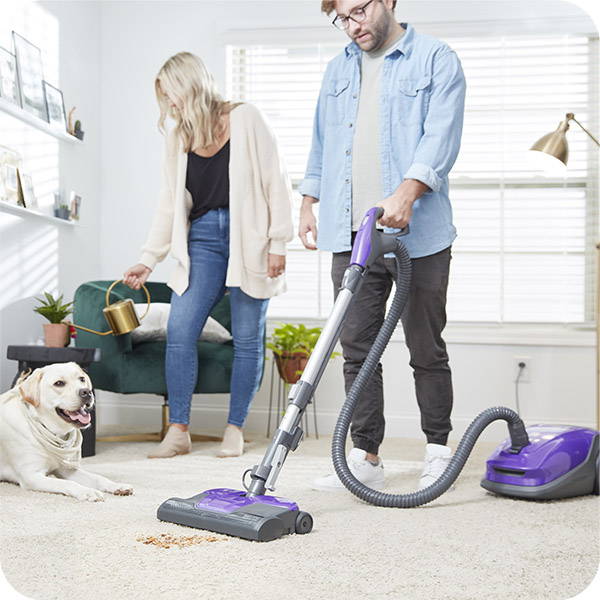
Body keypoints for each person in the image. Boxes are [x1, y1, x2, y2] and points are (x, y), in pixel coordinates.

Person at [299, 0, 466, 490]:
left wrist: (407, 192)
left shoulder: (435, 58)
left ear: (388, 1)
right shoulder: (337, 70)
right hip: (352, 232)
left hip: (421, 233)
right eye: (341, 19)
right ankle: (365, 455)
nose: (352, 27)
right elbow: (322, 140)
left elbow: (441, 138)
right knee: (357, 349)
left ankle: (437, 450)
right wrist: (309, 201)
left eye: (359, 12)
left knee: (425, 346)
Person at [124, 52, 293, 459]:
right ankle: (179, 429)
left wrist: (278, 242)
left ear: (191, 84)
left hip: (248, 235)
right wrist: (149, 257)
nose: (171, 105)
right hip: (200, 239)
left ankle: (234, 429)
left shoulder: (245, 118)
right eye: (165, 98)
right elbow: (170, 200)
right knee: (180, 331)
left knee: (249, 338)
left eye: (173, 94)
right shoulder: (178, 136)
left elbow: (276, 179)